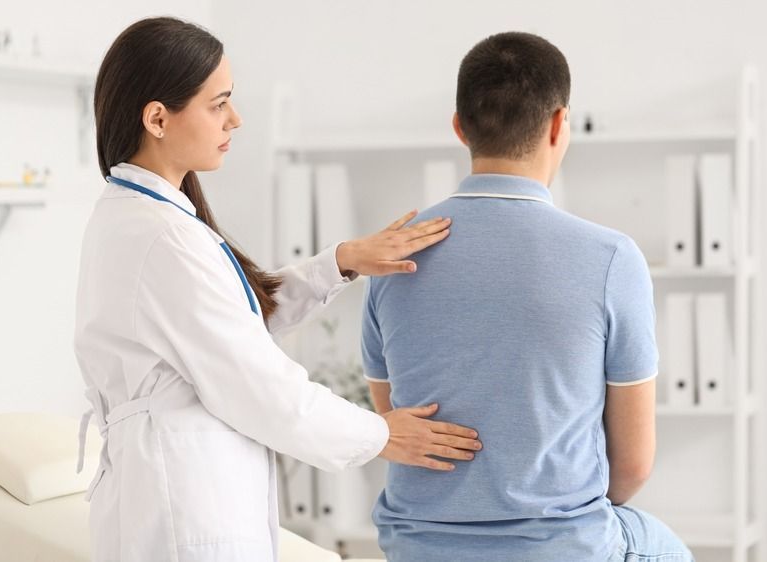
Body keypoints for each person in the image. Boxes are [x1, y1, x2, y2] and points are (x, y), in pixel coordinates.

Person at [73, 17, 482, 562]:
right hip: (180, 507)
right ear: (157, 118)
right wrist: (381, 435)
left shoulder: (145, 219)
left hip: (178, 487)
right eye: (219, 104)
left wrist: (341, 262)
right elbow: (263, 389)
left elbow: (231, 325)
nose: (235, 119)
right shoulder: (162, 237)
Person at [361, 31, 693, 562]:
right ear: (560, 124)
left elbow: (397, 426)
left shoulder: (390, 255)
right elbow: (631, 466)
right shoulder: (611, 258)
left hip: (416, 546)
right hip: (560, 547)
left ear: (459, 126)